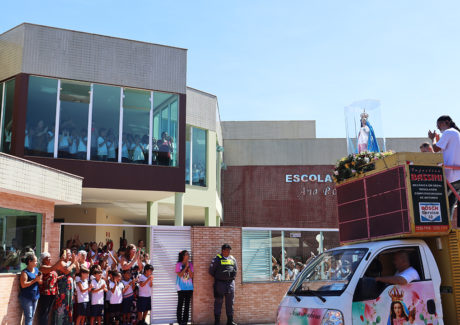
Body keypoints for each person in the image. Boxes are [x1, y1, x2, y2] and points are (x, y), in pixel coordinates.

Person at [428, 115, 460, 220]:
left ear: (446, 122)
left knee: (439, 202)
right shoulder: (456, 133)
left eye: (439, 125)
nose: (438, 128)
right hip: (457, 175)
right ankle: (450, 228)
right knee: (450, 204)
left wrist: (432, 139)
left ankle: (441, 226)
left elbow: (435, 149)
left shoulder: (448, 132)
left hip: (452, 176)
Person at [209, 243, 238, 325]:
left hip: (230, 284)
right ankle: (217, 322)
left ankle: (230, 321)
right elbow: (211, 271)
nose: (228, 252)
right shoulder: (217, 259)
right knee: (218, 302)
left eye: (229, 250)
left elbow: (236, 270)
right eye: (227, 250)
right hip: (220, 284)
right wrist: (220, 277)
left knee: (230, 303)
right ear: (222, 251)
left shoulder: (232, 259)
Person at [19, 252, 42, 325]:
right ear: (30, 262)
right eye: (35, 261)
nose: (36, 263)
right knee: (29, 316)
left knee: (32, 316)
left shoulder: (36, 270)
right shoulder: (24, 272)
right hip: (26, 297)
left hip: (35, 296)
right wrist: (34, 280)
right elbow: (23, 285)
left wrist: (39, 280)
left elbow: (40, 282)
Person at [36, 252, 58, 325]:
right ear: (43, 260)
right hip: (45, 293)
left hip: (52, 292)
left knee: (48, 312)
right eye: (48, 258)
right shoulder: (43, 267)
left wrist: (57, 278)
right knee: (44, 312)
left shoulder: (50, 266)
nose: (50, 259)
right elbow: (52, 268)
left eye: (50, 257)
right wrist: (61, 260)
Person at [176, 250, 194, 325]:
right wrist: (185, 267)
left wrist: (188, 267)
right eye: (187, 254)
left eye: (188, 254)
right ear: (183, 256)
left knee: (187, 306)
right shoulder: (178, 264)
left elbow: (191, 275)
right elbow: (179, 275)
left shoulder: (191, 264)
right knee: (180, 304)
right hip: (181, 288)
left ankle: (185, 321)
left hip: (189, 288)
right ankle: (179, 321)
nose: (188, 255)